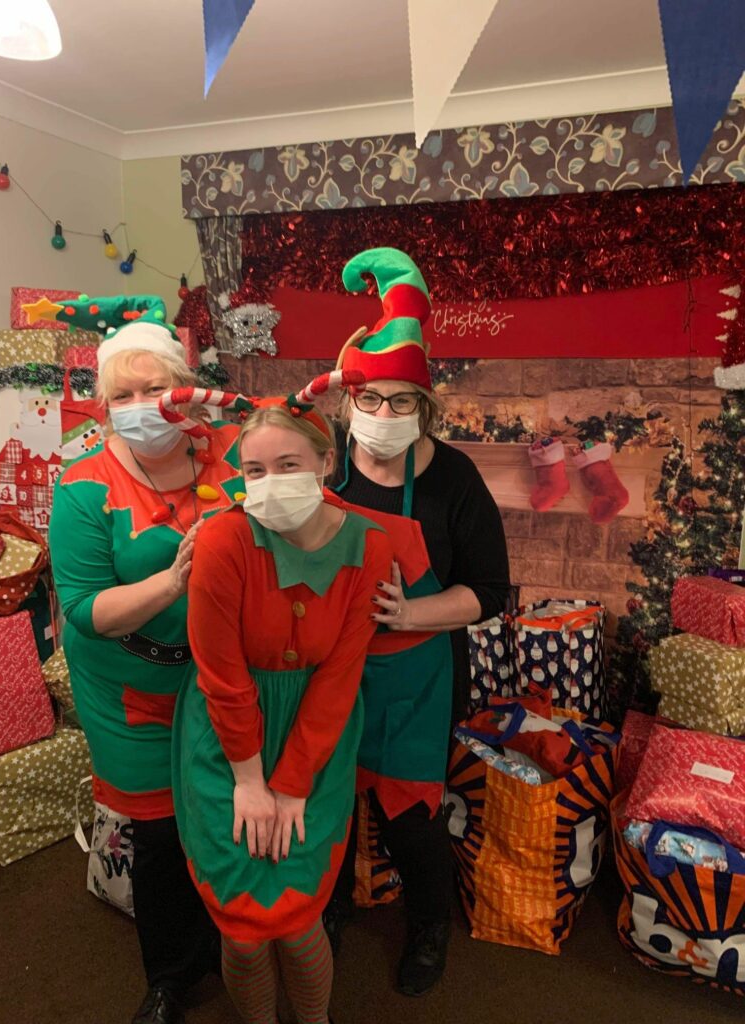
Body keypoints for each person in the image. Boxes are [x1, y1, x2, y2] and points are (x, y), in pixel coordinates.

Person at [168, 373, 394, 1024]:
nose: (269, 482)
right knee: (242, 926)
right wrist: (249, 779)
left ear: (326, 461)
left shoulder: (369, 546)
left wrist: (292, 784)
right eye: (254, 470)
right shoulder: (223, 539)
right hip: (224, 736)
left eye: (288, 465)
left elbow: (341, 674)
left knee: (297, 921)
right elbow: (220, 671)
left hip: (315, 736)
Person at [45, 294, 241, 1024]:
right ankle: (169, 977)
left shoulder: (230, 452)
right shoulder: (83, 484)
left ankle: (239, 943)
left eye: (152, 389)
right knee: (159, 834)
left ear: (184, 389)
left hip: (220, 677)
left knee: (222, 813)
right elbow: (84, 609)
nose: (137, 408)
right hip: (127, 690)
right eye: (120, 396)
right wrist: (174, 580)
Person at [324, 248, 511, 996]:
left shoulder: (454, 479)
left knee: (411, 819)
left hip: (418, 680)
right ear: (347, 401)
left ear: (427, 408)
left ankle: (430, 924)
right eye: (370, 399)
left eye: (403, 402)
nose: (384, 415)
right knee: (330, 803)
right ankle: (328, 910)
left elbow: (487, 592)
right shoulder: (322, 468)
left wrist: (409, 612)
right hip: (330, 671)